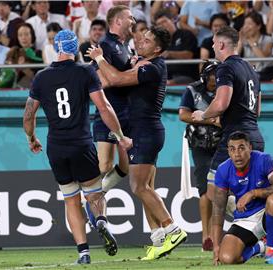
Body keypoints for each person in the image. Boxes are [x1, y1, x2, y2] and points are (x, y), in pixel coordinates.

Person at [22, 29, 132, 264]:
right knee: (94, 194)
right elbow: (104, 108)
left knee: (71, 200)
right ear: (75, 48)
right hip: (81, 144)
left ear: (56, 47)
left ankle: (83, 252)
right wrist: (120, 135)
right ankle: (100, 220)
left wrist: (31, 138)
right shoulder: (86, 72)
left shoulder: (41, 77)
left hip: (56, 147)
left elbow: (29, 113)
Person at [87, 26, 187, 260]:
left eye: (148, 40)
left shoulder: (152, 68)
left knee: (139, 187)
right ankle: (159, 238)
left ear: (158, 49)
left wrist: (99, 58)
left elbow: (116, 78)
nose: (141, 40)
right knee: (145, 188)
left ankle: (172, 229)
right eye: (143, 37)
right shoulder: (145, 64)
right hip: (147, 132)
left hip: (145, 133)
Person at [192, 26, 265, 206]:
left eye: (214, 43)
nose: (213, 47)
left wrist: (203, 116)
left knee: (213, 192)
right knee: (245, 193)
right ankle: (256, 226)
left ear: (222, 44)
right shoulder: (252, 70)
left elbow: (221, 103)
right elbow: (257, 111)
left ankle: (254, 223)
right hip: (255, 137)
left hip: (234, 140)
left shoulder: (225, 68)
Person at [212, 131, 273, 265]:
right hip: (245, 218)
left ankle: (271, 251)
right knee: (227, 258)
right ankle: (260, 247)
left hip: (270, 213)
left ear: (250, 147)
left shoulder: (264, 160)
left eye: (241, 148)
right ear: (228, 152)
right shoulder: (223, 170)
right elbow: (218, 208)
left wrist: (253, 193)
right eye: (232, 149)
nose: (237, 154)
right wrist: (216, 246)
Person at [91, 5, 135, 194]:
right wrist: (124, 76)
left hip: (126, 113)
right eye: (130, 18)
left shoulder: (126, 46)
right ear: (118, 21)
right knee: (104, 166)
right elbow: (100, 81)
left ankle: (93, 195)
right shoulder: (105, 45)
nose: (133, 21)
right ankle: (89, 198)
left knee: (125, 167)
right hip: (109, 112)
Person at [179, 61, 221, 252]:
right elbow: (183, 114)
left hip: (223, 144)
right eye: (213, 78)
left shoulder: (226, 88)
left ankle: (223, 232)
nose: (216, 81)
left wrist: (201, 116)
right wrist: (211, 119)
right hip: (200, 143)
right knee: (204, 189)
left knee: (226, 188)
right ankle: (207, 236)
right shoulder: (192, 90)